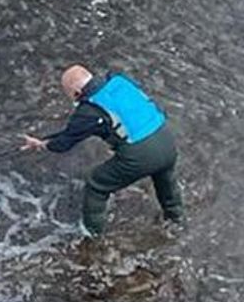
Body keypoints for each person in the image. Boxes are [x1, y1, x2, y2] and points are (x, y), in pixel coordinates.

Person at [21, 64, 184, 236]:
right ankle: (176, 219)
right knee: (165, 177)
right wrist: (46, 139)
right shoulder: (118, 80)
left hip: (139, 154)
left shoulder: (88, 111)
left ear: (76, 93)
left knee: (96, 185)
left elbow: (64, 143)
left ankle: (92, 236)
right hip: (165, 137)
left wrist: (41, 145)